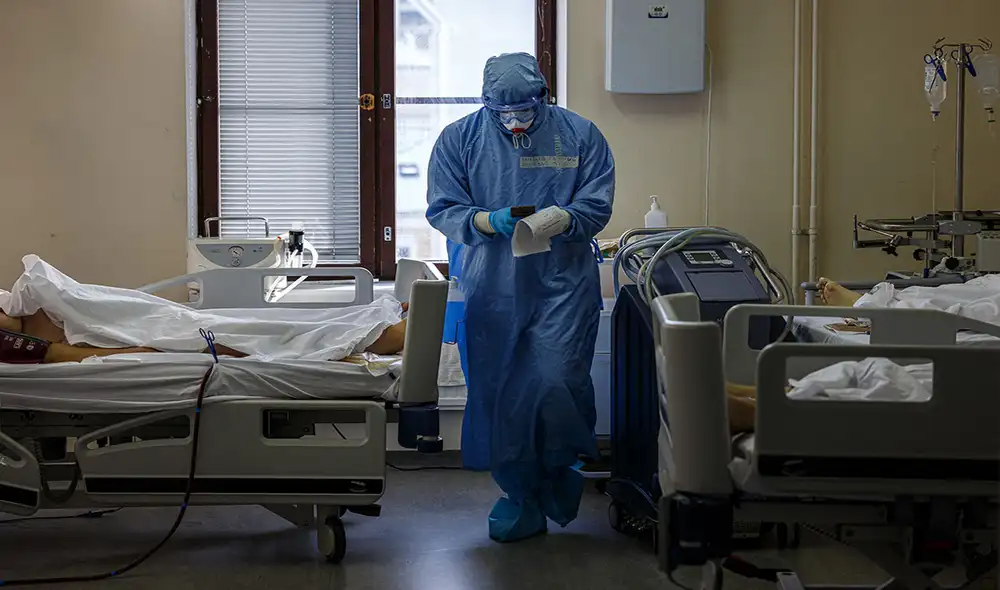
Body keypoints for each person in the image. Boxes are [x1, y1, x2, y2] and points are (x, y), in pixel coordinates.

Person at [425, 52, 615, 542]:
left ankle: (556, 473)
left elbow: (596, 202)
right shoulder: (458, 139)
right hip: (493, 288)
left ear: (544, 97)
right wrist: (489, 220)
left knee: (556, 383)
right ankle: (518, 495)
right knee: (502, 393)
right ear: (486, 104)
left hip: (562, 288)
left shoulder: (580, 135)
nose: (514, 122)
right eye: (503, 113)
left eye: (524, 112)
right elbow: (443, 207)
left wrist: (564, 219)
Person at [0, 256, 409, 364]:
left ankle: (377, 324)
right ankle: (386, 334)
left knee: (250, 324)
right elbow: (66, 355)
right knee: (252, 335)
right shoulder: (13, 342)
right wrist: (145, 353)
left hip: (142, 316)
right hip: (138, 333)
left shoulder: (18, 310)